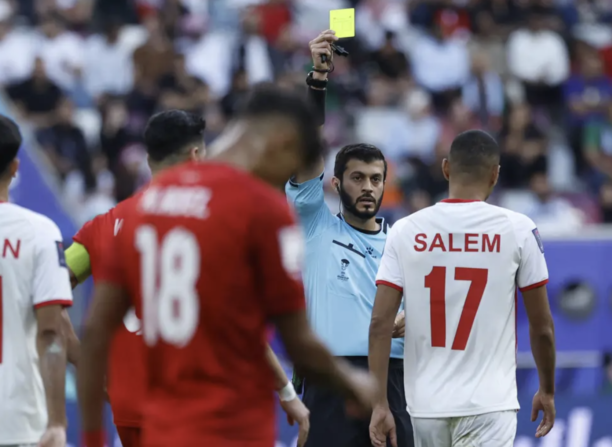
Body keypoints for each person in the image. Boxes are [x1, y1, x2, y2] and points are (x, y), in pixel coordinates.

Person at [77, 84, 378, 447]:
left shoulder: (144, 206)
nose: (284, 180)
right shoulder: (260, 208)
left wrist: (92, 438)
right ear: (282, 141)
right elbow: (299, 343)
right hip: (232, 428)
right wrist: (353, 385)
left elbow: (95, 332)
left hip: (161, 429)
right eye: (292, 166)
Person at [64, 109, 311, 447]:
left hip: (129, 406)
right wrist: (285, 391)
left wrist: (84, 364)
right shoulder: (209, 225)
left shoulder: (105, 224)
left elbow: (49, 295)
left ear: (149, 159)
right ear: (196, 155)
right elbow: (241, 326)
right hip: (198, 408)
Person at [368, 130, 557, 447]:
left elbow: (379, 324)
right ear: (495, 174)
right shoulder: (519, 229)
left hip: (425, 406)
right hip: (489, 404)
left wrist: (379, 403)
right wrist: (547, 389)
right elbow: (542, 327)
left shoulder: (405, 230)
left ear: (446, 168)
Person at [287, 30, 413, 447]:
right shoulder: (316, 224)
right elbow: (307, 151)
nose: (368, 187)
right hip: (332, 381)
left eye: (376, 179)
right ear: (336, 183)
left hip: (392, 382)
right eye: (358, 178)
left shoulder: (402, 243)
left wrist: (416, 319)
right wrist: (318, 81)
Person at [0, 115, 72, 447]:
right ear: (16, 168)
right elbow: (51, 331)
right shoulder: (39, 232)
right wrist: (57, 421)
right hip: (18, 421)